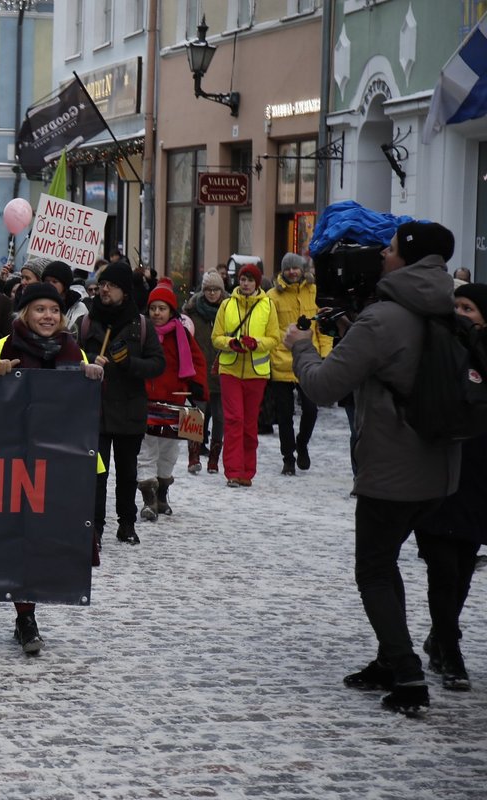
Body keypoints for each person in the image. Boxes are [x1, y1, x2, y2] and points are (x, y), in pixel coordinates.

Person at [285, 221, 460, 716]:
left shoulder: (383, 318)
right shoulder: (445, 306)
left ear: (405, 257)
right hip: (440, 467)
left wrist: (300, 345)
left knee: (376, 570)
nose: (381, 255)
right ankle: (392, 658)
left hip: (392, 469)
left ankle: (407, 676)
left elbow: (322, 387)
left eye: (388, 248)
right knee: (395, 566)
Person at [0, 282, 103, 651]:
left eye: (54, 310)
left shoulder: (75, 350)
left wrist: (93, 379)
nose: (48, 316)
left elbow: (84, 408)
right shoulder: (4, 345)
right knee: (19, 540)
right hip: (14, 459)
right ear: (24, 314)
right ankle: (25, 616)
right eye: (39, 309)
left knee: (43, 541)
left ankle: (28, 613)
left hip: (59, 462)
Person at [410, 281, 487, 692]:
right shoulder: (436, 349)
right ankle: (450, 649)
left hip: (477, 476)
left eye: (469, 308)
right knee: (441, 567)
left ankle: (440, 636)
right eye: (455, 306)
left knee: (461, 569)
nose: (460, 314)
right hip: (438, 469)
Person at [78, 261, 165, 544]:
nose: (104, 289)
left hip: (130, 408)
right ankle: (95, 527)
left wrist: (129, 363)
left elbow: (157, 364)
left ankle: (126, 523)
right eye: (103, 284)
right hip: (96, 409)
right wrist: (89, 362)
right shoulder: (87, 321)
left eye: (112, 286)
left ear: (125, 292)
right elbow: (71, 356)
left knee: (127, 473)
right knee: (96, 473)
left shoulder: (140, 325)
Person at [137, 283, 208, 522]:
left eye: (162, 308)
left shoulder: (181, 334)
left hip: (174, 402)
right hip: (146, 401)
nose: (157, 313)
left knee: (168, 452)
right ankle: (148, 500)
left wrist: (197, 385)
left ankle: (162, 495)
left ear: (172, 311)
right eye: (153, 308)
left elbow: (197, 362)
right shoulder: (142, 333)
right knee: (146, 451)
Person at [210, 262, 279, 487]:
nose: (246, 283)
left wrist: (255, 343)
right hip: (230, 369)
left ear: (257, 283)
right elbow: (216, 337)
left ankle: (247, 472)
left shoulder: (268, 305)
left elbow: (274, 338)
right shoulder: (227, 305)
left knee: (250, 424)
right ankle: (232, 471)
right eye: (242, 279)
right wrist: (232, 343)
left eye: (250, 280)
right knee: (234, 420)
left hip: (256, 373)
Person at [268, 253, 331, 475]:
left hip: (309, 360)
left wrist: (324, 353)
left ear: (302, 270)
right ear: (282, 271)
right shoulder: (272, 296)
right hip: (281, 360)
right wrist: (277, 350)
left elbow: (322, 327)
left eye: (296, 268)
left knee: (311, 410)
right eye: (288, 269)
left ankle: (302, 443)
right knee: (284, 414)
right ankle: (288, 457)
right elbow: (270, 328)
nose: (292, 272)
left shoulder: (314, 291)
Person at [183, 271, 227, 474]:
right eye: (208, 289)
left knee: (219, 417)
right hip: (197, 371)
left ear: (221, 290)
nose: (212, 293)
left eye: (216, 289)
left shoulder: (229, 310)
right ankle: (193, 456)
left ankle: (214, 459)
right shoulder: (191, 311)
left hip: (221, 370)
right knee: (195, 414)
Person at [41, 260, 88, 332]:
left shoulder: (79, 307)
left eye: (54, 281)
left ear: (65, 285)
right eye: (47, 281)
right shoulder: (38, 303)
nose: (49, 285)